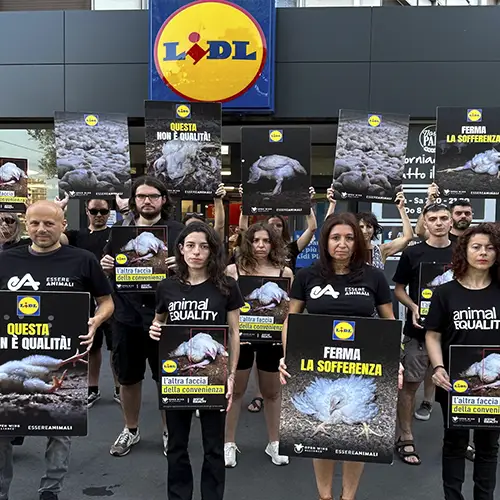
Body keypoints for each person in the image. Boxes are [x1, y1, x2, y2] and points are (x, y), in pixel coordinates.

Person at [278, 212, 401, 500]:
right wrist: (287, 356)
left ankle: (348, 497)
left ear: (358, 241)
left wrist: (396, 363)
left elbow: (389, 322)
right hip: (315, 364)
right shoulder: (308, 275)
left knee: (353, 435)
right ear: (325, 241)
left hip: (363, 366)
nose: (342, 244)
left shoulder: (374, 276)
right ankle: (325, 496)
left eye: (348, 238)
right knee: (322, 433)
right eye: (335, 238)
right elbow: (290, 320)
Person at [0, 200, 114, 500]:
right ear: (26, 223)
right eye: (35, 223)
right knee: (2, 429)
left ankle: (51, 490)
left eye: (49, 223)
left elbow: (106, 301)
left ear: (63, 225)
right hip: (9, 355)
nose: (41, 229)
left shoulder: (82, 260)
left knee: (60, 426)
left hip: (63, 357)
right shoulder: (6, 260)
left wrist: (94, 323)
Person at [149, 222, 242, 500]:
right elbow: (159, 322)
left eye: (204, 246)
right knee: (177, 444)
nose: (196, 252)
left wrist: (232, 375)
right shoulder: (167, 286)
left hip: (214, 378)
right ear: (180, 249)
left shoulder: (227, 286)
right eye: (190, 245)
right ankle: (179, 496)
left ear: (212, 251)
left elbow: (235, 333)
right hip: (178, 380)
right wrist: (154, 329)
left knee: (213, 446)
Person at [100, 176, 184, 457]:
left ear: (163, 200)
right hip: (127, 316)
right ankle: (131, 430)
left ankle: (167, 431)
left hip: (167, 317)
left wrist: (181, 266)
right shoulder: (120, 231)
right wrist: (107, 265)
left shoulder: (179, 232)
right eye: (141, 196)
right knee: (128, 378)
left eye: (153, 196)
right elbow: (109, 265)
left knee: (168, 379)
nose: (147, 201)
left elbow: (199, 269)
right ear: (133, 200)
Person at [426, 223, 500, 500]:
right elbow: (432, 335)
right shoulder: (446, 293)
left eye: (490, 247)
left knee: (488, 446)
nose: (483, 253)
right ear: (464, 251)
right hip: (453, 381)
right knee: (455, 444)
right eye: (476, 247)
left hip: (494, 386)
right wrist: (438, 367)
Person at [224, 222, 293, 468]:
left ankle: (274, 442)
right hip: (242, 339)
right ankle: (228, 443)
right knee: (236, 392)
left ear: (273, 243)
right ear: (248, 243)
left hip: (272, 340)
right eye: (256, 241)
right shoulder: (233, 270)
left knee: (273, 393)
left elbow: (288, 313)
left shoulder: (284, 272)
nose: (261, 245)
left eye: (266, 241)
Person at [393, 203, 454, 465]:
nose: (439, 223)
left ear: (451, 222)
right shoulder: (413, 253)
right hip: (418, 332)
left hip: (455, 333)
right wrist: (413, 306)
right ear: (425, 224)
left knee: (458, 387)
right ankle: (405, 436)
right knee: (410, 385)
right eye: (433, 219)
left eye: (443, 218)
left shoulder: (463, 251)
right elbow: (398, 289)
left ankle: (461, 439)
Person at [60, 198, 120, 407]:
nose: (98, 215)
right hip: (84, 297)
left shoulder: (115, 234)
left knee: (116, 347)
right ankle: (92, 389)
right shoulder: (77, 235)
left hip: (111, 296)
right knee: (91, 347)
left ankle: (119, 388)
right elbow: (56, 238)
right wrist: (59, 211)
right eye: (94, 211)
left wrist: (124, 209)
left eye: (103, 211)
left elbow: (134, 234)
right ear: (87, 211)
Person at [326, 187, 414, 269]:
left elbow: (407, 237)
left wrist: (401, 209)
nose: (365, 231)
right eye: (361, 226)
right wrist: (332, 205)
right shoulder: (347, 249)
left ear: (374, 229)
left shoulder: (381, 251)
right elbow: (327, 233)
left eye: (369, 227)